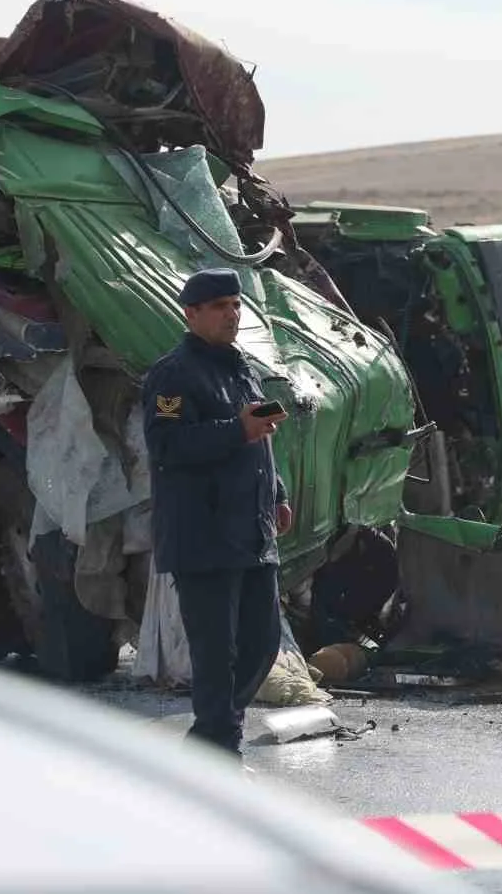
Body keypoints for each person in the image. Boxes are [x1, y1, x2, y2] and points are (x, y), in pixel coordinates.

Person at [141, 268, 294, 760]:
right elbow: (166, 445)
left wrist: (277, 493)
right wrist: (235, 431)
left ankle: (208, 745)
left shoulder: (240, 366)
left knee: (262, 644)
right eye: (220, 306)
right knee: (215, 654)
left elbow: (259, 434)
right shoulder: (173, 374)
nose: (232, 314)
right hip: (203, 537)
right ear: (191, 314)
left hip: (251, 531)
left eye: (235, 304)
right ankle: (219, 751)